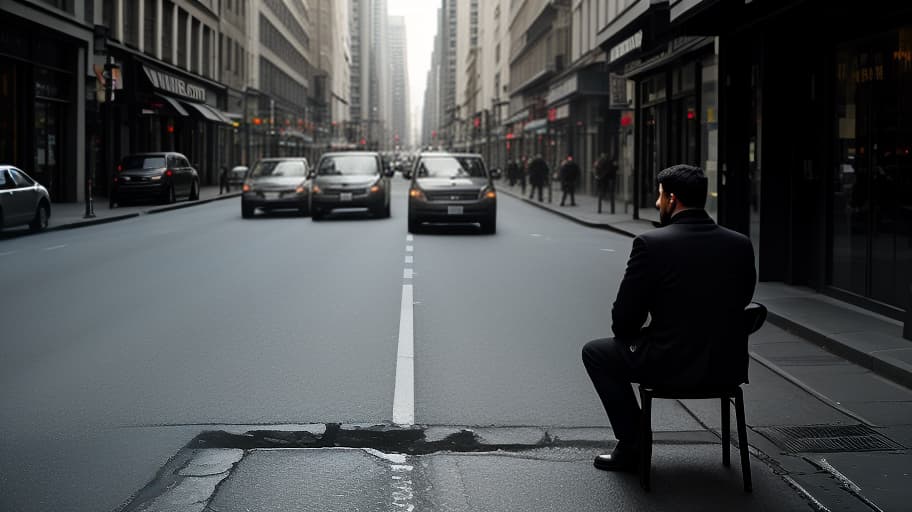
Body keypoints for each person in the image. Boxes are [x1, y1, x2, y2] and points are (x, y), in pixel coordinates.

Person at [581, 164, 756, 472]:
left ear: (673, 199)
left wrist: (638, 337)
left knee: (595, 352)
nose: (658, 203)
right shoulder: (740, 244)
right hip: (726, 366)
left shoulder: (651, 245)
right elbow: (741, 300)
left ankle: (634, 445)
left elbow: (623, 321)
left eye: (660, 196)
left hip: (669, 363)